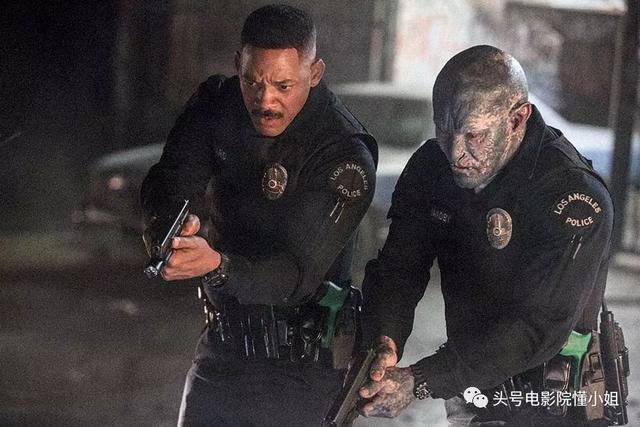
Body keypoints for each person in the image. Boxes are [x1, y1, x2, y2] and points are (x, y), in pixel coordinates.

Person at [140, 4, 377, 426]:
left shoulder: (344, 154)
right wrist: (170, 222)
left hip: (303, 367)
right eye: (252, 81)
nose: (265, 100)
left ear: (315, 73)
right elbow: (172, 177)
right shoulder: (218, 104)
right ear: (239, 65)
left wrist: (216, 265)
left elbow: (296, 275)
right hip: (222, 347)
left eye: (284, 86)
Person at [358, 45, 614, 426]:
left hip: (560, 403)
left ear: (518, 118)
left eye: (474, 135)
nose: (455, 152)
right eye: (443, 130)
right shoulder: (432, 167)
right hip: (474, 394)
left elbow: (536, 329)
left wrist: (420, 379)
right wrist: (386, 339)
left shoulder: (573, 195)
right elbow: (399, 268)